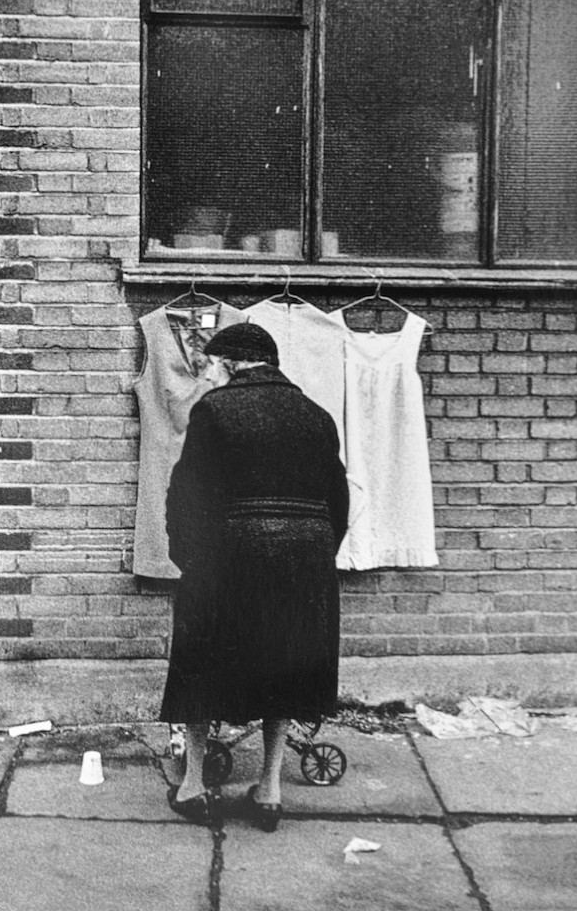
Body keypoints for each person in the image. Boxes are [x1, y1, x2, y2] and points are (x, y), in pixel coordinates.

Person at [159, 322, 349, 832]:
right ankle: (269, 788)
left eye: (214, 367)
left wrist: (189, 560)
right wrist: (315, 555)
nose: (211, 376)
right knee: (284, 664)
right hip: (305, 558)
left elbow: (189, 492)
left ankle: (194, 783)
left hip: (231, 552)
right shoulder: (317, 417)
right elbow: (339, 500)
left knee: (201, 661)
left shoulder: (216, 410)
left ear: (230, 364)